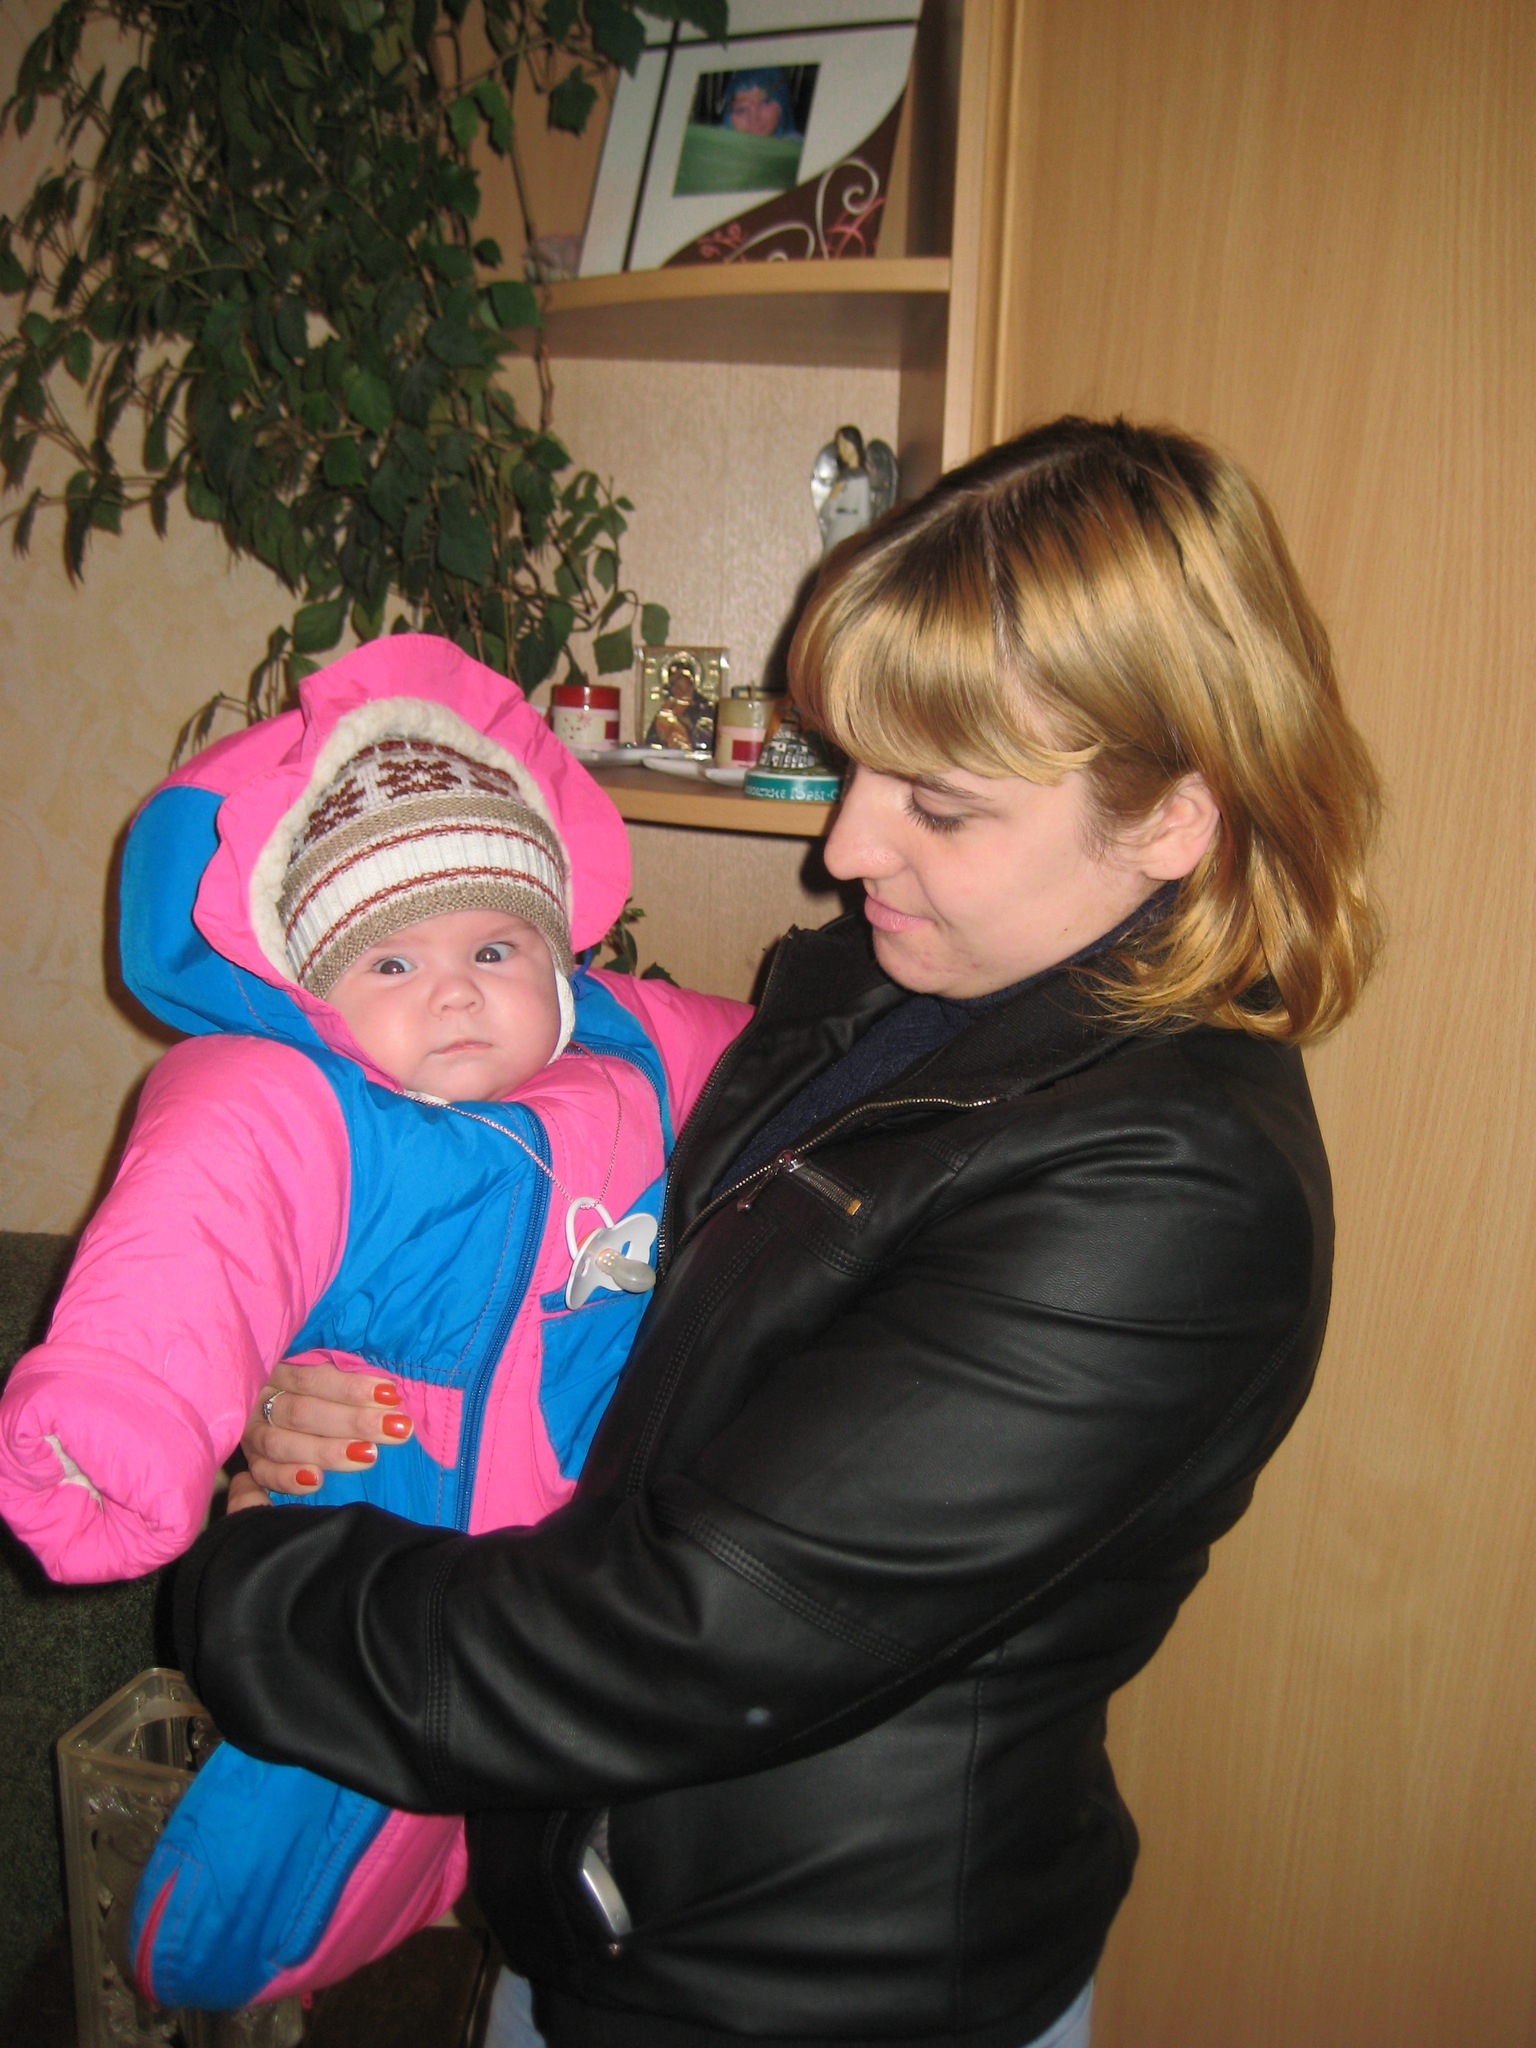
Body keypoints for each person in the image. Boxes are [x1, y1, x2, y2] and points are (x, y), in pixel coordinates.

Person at [177, 418, 1381, 2048]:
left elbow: (691, 1633)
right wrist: (358, 1392)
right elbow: (641, 1332)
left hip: (802, 1991)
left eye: (938, 803)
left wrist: (246, 1585)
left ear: (1176, 815)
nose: (845, 846)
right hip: (608, 1907)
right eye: (853, 763)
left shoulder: (1171, 1191)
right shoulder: (892, 1001)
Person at [0, 634, 745, 2009]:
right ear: (315, 1003)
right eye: (390, 963)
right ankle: (243, 1930)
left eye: (494, 947)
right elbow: (201, 1222)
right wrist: (126, 1411)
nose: (456, 989)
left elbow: (794, 1064)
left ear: (560, 959)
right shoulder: (319, 1117)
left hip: (626, 1571)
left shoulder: (635, 1055)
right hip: (409, 1554)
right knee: (340, 1809)